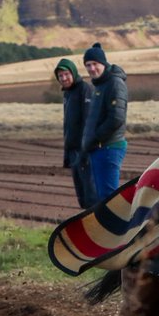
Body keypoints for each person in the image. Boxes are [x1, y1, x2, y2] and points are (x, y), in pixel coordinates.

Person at [80, 42, 130, 201]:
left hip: (109, 148)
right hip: (99, 148)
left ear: (103, 63)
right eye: (88, 65)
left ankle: (116, 226)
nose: (91, 68)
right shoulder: (100, 85)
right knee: (102, 197)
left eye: (95, 64)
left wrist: (95, 138)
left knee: (109, 199)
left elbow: (116, 118)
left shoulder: (115, 83)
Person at [55, 57, 94, 207]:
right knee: (82, 196)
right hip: (73, 152)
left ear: (73, 73)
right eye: (60, 76)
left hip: (84, 151)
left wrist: (85, 150)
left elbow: (88, 122)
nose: (64, 78)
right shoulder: (68, 93)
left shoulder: (85, 89)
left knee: (91, 194)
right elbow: (68, 126)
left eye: (66, 74)